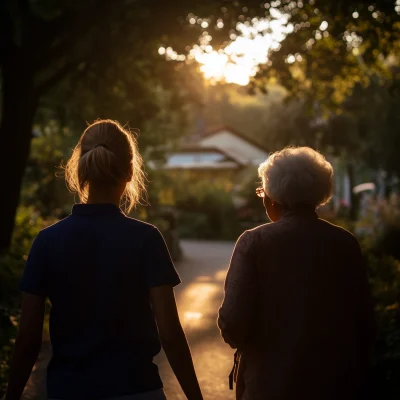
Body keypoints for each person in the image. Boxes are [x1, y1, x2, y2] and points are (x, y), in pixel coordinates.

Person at [6, 120, 203, 400]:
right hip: (138, 389)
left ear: (80, 169)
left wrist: (12, 394)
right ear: (130, 171)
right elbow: (170, 334)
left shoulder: (47, 242)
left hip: (69, 390)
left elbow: (27, 339)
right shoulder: (146, 239)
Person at [218, 147, 376, 400]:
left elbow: (233, 324)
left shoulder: (254, 243)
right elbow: (365, 323)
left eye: (262, 192)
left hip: (270, 386)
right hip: (338, 385)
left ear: (272, 197)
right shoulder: (345, 244)